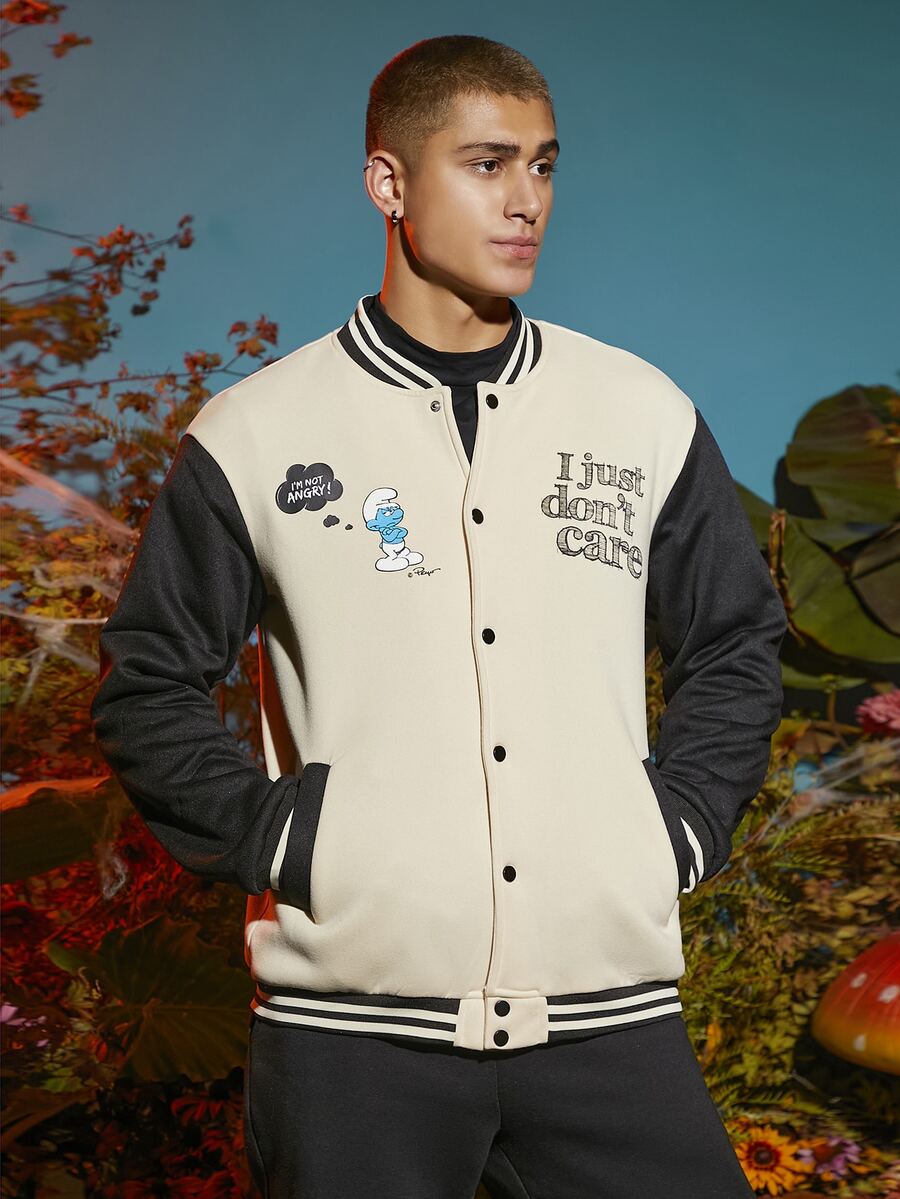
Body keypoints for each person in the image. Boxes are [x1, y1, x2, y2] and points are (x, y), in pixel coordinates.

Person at [90, 33, 787, 1199]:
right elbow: (148, 681)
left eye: (545, 165)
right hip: (349, 1041)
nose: (527, 201)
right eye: (487, 163)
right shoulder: (256, 432)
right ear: (390, 182)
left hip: (611, 1021)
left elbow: (735, 641)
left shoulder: (640, 412)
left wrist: (676, 830)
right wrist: (287, 843)